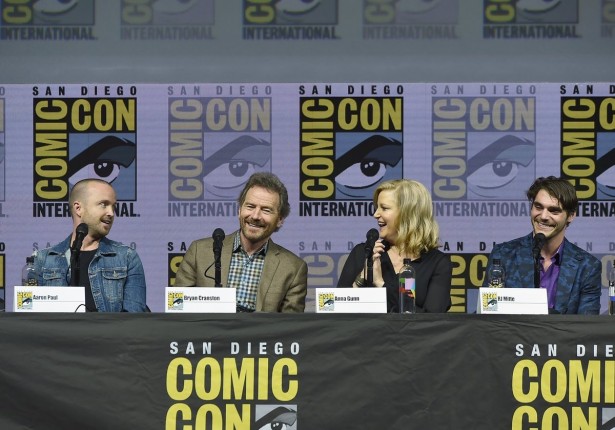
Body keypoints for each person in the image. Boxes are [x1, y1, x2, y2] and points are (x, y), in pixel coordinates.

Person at [175, 172, 307, 312]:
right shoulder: (199, 252)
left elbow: (290, 323)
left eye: (266, 210)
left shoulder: (293, 268)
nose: (255, 216)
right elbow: (177, 308)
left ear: (280, 220)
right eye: (250, 206)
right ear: (239, 210)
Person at [483, 176, 601, 315]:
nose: (543, 216)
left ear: (571, 215)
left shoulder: (587, 267)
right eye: (538, 207)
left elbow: (587, 323)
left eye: (554, 210)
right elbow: (488, 312)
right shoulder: (503, 255)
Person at [32, 179, 148, 312]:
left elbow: (134, 318)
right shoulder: (43, 260)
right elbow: (30, 316)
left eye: (113, 207)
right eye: (103, 204)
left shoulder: (127, 258)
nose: (111, 213)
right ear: (78, 208)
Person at [338, 179, 452, 313]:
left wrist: (380, 284)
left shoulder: (437, 263)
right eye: (377, 207)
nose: (375, 214)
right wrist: (362, 278)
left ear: (408, 214)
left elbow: (432, 320)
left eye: (384, 208)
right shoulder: (363, 253)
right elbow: (336, 309)